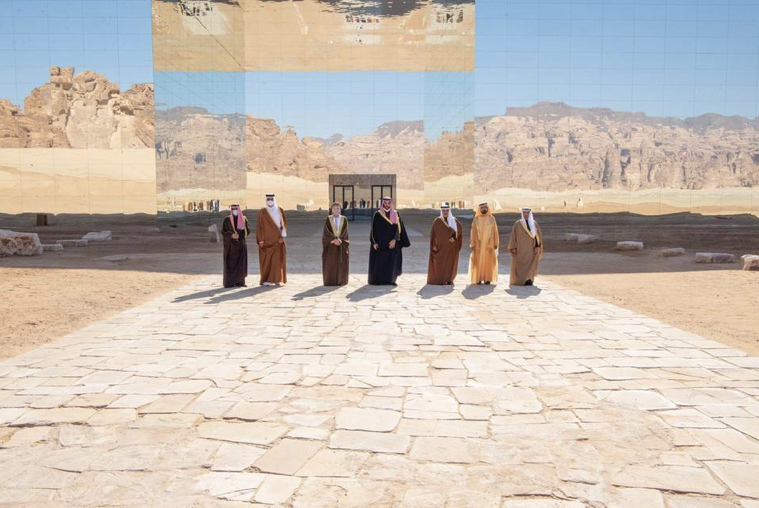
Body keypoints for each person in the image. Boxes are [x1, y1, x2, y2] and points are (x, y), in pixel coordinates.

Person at [368, 196, 410, 285]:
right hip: (381, 243)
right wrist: (374, 242)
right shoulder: (377, 214)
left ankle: (391, 280)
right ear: (383, 203)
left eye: (389, 203)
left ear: (391, 204)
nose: (387, 205)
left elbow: (399, 229)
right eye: (385, 203)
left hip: (392, 243)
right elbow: (373, 229)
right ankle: (379, 281)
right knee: (380, 262)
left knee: (392, 262)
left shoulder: (396, 214)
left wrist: (395, 239)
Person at [427, 202, 463, 285]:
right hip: (441, 247)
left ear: (449, 211)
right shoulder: (437, 221)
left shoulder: (454, 221)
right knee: (440, 263)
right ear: (441, 211)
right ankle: (440, 279)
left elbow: (459, 230)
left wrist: (454, 238)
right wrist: (434, 245)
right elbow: (433, 234)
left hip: (451, 248)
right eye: (443, 211)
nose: (445, 212)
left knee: (450, 264)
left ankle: (449, 279)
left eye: (447, 210)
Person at [256, 194, 288, 286]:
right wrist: (260, 240)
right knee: (267, 261)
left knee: (277, 261)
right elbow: (259, 226)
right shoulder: (262, 212)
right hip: (266, 242)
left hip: (278, 241)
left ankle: (277, 279)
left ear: (274, 199)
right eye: (268, 199)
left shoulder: (280, 210)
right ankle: (267, 280)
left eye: (271, 199)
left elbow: (284, 225)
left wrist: (282, 237)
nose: (270, 200)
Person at [508, 207, 544, 286]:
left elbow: (538, 237)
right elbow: (513, 237)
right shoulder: (518, 224)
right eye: (524, 213)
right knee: (520, 266)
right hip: (521, 249)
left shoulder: (534, 224)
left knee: (531, 265)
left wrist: (537, 247)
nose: (526, 214)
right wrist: (513, 247)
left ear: (530, 214)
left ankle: (529, 279)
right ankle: (519, 281)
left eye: (527, 213)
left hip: (531, 250)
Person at [468, 202, 499, 285]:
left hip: (489, 245)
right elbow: (473, 232)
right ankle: (478, 278)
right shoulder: (476, 219)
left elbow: (495, 232)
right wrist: (472, 243)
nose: (484, 209)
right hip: (478, 245)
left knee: (488, 262)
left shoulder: (492, 219)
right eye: (482, 208)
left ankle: (487, 278)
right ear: (479, 209)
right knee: (478, 262)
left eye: (485, 207)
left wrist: (496, 243)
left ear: (487, 208)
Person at [222, 204, 250, 288]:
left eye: (236, 208)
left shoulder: (244, 219)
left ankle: (240, 282)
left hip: (241, 245)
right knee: (231, 264)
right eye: (233, 208)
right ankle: (230, 282)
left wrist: (239, 236)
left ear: (239, 209)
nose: (234, 210)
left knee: (241, 264)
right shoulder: (227, 220)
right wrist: (231, 235)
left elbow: (247, 231)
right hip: (231, 247)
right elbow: (223, 232)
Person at [322, 202, 350, 286]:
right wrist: (333, 240)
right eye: (334, 208)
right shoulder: (328, 219)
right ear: (332, 210)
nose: (336, 210)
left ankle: (341, 281)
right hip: (331, 244)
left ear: (340, 209)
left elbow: (345, 231)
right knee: (331, 263)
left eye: (338, 208)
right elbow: (326, 231)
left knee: (342, 262)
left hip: (342, 244)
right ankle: (331, 281)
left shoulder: (344, 219)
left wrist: (340, 240)